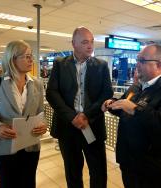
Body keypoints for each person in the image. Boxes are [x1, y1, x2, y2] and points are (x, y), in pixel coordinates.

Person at [102, 44, 161, 188]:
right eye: (137, 60)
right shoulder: (137, 87)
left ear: (159, 64)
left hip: (154, 170)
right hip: (130, 162)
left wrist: (136, 109)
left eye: (142, 60)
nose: (137, 64)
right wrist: (112, 104)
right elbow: (125, 107)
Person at [46, 26, 113, 188]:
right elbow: (52, 93)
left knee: (98, 172)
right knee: (72, 172)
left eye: (91, 42)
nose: (90, 46)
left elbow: (106, 93)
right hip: (68, 128)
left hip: (92, 126)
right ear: (73, 44)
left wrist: (86, 116)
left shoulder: (101, 66)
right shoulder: (60, 64)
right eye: (84, 42)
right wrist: (72, 117)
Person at [0, 40, 47, 188]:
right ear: (12, 59)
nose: (31, 60)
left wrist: (43, 125)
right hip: (5, 148)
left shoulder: (37, 84)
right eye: (26, 56)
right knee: (8, 183)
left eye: (31, 56)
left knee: (29, 183)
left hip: (31, 147)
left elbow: (41, 112)